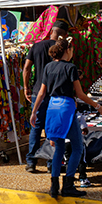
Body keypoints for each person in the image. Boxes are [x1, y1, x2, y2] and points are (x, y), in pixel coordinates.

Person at [29, 35, 102, 199]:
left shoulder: (48, 67)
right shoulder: (71, 68)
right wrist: (98, 106)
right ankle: (69, 184)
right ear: (68, 50)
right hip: (66, 108)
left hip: (52, 107)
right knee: (78, 147)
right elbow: (79, 93)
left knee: (58, 148)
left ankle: (54, 185)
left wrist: (34, 112)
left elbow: (42, 93)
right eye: (71, 49)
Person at [23, 21, 64, 173]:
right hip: (55, 93)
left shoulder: (37, 46)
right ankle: (50, 162)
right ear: (61, 35)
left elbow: (26, 68)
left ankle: (31, 161)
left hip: (37, 91)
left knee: (35, 126)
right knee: (51, 128)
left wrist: (26, 87)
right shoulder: (62, 50)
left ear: (51, 31)